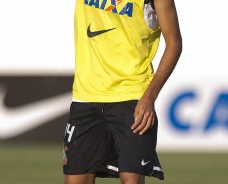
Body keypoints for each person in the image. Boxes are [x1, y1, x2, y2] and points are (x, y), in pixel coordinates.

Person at [63, 0, 182, 183]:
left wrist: (149, 97)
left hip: (132, 97)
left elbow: (174, 44)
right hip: (86, 97)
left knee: (131, 179)